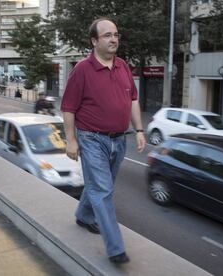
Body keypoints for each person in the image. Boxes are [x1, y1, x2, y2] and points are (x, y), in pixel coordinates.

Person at [61, 18, 146, 264]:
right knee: (103, 190)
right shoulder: (82, 70)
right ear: (94, 40)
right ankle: (115, 248)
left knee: (99, 187)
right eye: (107, 35)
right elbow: (68, 107)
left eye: (116, 34)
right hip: (91, 139)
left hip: (119, 140)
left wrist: (139, 130)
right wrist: (71, 140)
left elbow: (132, 100)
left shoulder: (123, 66)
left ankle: (83, 215)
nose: (113, 39)